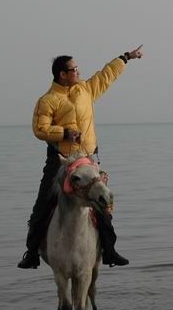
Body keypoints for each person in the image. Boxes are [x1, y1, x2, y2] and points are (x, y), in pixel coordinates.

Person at [17, 46, 144, 269]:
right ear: (62, 74)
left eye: (77, 68)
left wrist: (126, 58)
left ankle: (109, 251)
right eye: (74, 69)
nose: (78, 71)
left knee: (104, 203)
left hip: (87, 159)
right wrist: (64, 133)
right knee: (43, 205)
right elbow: (40, 129)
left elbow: (106, 75)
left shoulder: (85, 90)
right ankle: (32, 253)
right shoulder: (47, 100)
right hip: (60, 161)